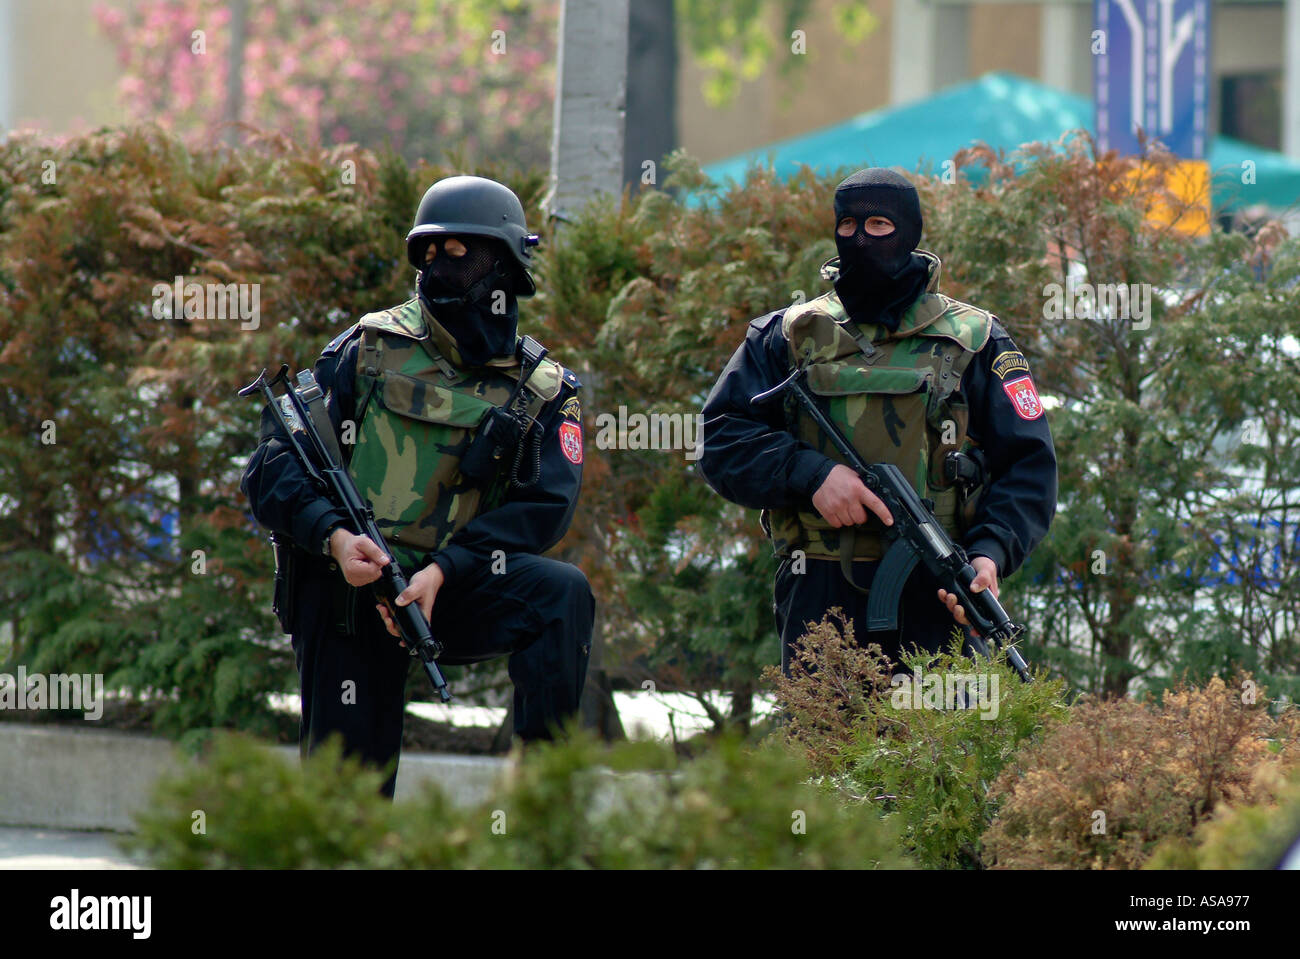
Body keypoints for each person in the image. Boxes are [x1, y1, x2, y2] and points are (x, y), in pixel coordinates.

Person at [241, 175, 593, 797]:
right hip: (354, 585)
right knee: (347, 808)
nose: (440, 269)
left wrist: (448, 570)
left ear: (504, 268)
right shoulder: (370, 348)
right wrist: (333, 537)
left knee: (561, 596)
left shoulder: (541, 389)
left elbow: (545, 509)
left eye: (461, 254)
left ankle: (545, 806)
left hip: (451, 587)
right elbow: (272, 462)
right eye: (428, 255)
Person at [699, 167, 1057, 674]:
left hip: (940, 586)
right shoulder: (788, 336)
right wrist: (813, 475)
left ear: (910, 233)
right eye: (847, 226)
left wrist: (990, 553)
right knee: (825, 747)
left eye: (879, 226)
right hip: (819, 590)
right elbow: (720, 438)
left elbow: (1030, 466)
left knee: (940, 749)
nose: (861, 239)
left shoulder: (975, 338)